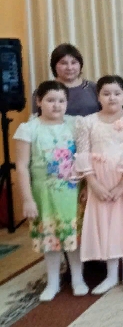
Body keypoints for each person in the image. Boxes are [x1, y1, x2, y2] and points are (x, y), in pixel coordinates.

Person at [74, 75, 123, 295]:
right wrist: (93, 184)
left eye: (117, 93)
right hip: (99, 180)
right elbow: (83, 154)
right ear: (98, 97)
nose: (112, 98)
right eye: (106, 94)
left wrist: (121, 186)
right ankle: (110, 276)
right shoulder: (86, 122)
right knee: (106, 226)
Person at [14, 81, 88, 301]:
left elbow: (85, 158)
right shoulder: (28, 129)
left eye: (61, 100)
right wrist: (27, 199)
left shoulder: (76, 124)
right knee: (51, 239)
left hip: (72, 192)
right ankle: (53, 282)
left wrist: (87, 187)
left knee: (73, 237)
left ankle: (78, 279)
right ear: (39, 101)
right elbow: (21, 166)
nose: (56, 105)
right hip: (43, 194)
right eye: (50, 100)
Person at [33, 44, 99, 117]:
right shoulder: (43, 90)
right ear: (54, 66)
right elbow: (37, 119)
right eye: (63, 63)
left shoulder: (94, 88)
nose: (69, 68)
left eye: (74, 63)